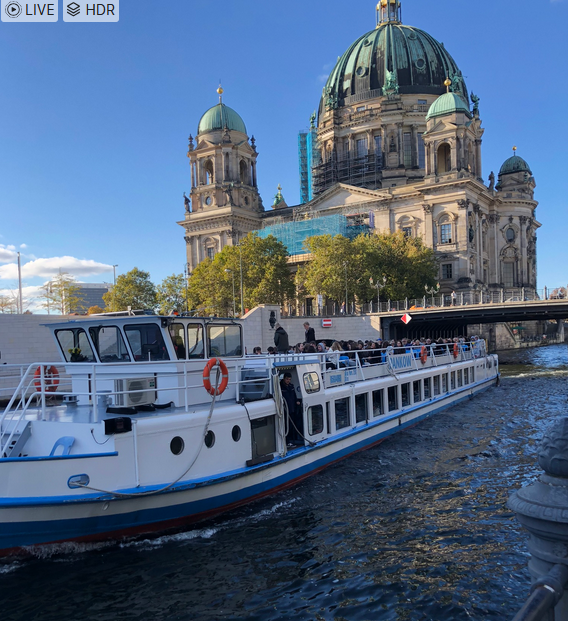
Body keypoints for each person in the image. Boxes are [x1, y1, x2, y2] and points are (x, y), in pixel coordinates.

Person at [280, 372, 302, 445]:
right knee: (286, 426)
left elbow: (294, 396)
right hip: (285, 409)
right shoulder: (280, 387)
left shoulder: (291, 386)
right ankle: (287, 441)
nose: (288, 381)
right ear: (284, 378)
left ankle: (292, 439)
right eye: (287, 379)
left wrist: (297, 401)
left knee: (292, 425)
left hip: (292, 409)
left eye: (289, 379)